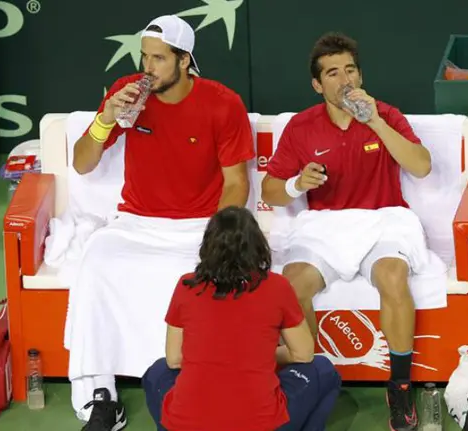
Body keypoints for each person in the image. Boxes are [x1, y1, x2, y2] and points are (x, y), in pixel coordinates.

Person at [68, 14, 255, 431]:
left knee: (209, 276)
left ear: (185, 60)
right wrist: (105, 119)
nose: (147, 69)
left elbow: (236, 181)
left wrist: (218, 234)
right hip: (135, 223)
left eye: (158, 59)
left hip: (198, 227)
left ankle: (199, 382)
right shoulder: (127, 94)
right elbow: (82, 163)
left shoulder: (223, 103)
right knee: (95, 262)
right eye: (144, 57)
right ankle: (100, 397)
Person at [261, 32, 434, 431]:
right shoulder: (301, 127)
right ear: (318, 85)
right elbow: (271, 190)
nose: (345, 81)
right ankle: (311, 380)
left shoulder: (385, 114)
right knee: (292, 285)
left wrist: (372, 119)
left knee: (392, 275)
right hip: (325, 224)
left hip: (383, 218)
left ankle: (400, 384)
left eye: (351, 70)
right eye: (333, 73)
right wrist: (296, 185)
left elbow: (421, 166)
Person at [142, 206, 342, 431]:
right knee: (322, 369)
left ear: (208, 246)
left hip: (188, 423)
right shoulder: (277, 286)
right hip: (262, 423)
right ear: (257, 245)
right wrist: (257, 354)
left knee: (157, 372)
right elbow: (303, 354)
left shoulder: (186, 286)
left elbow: (174, 359)